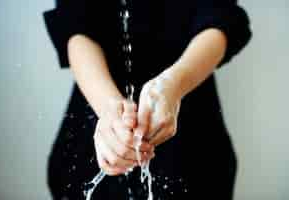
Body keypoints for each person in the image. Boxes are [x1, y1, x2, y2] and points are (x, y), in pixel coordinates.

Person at [43, 0, 252, 199]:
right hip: (97, 127)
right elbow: (75, 26)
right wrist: (109, 111)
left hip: (192, 138)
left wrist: (173, 86)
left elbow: (220, 18)